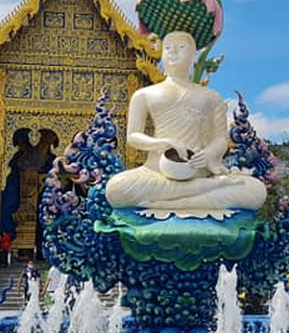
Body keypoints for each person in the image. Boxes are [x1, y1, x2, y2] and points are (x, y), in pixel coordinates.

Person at [104, 30, 266, 214]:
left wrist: (209, 154)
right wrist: (161, 143)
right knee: (115, 188)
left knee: (256, 191)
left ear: (193, 57)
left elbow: (220, 140)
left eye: (181, 48)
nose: (173, 52)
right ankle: (199, 193)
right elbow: (133, 137)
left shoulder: (211, 97)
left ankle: (179, 197)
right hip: (157, 172)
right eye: (168, 48)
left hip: (199, 171)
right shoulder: (144, 94)